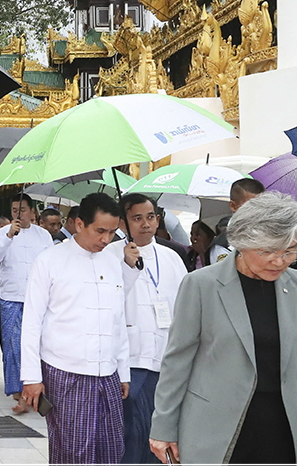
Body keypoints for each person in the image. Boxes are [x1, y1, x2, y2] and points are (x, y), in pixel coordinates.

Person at [149, 192, 297, 465]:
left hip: (283, 425)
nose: (280, 261)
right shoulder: (202, 284)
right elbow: (177, 361)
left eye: (289, 251)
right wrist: (163, 427)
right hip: (215, 425)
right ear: (241, 243)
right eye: (267, 251)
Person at [20, 193, 130, 464]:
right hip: (66, 372)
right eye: (100, 231)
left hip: (108, 373)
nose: (106, 239)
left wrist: (123, 371)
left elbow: (119, 320)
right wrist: (32, 377)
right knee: (72, 452)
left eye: (113, 232)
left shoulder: (113, 262)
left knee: (111, 451)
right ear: (80, 224)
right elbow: (32, 322)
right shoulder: (50, 260)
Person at [105, 193, 188, 464]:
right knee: (131, 432)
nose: (145, 224)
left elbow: (185, 305)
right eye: (137, 218)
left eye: (150, 217)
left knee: (160, 433)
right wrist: (125, 265)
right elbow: (107, 304)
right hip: (131, 359)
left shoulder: (173, 256)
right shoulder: (109, 255)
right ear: (122, 222)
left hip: (166, 357)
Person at [0, 192, 54, 412]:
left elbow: (51, 264)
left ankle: (36, 391)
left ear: (32, 212)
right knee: (14, 346)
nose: (19, 214)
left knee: (37, 345)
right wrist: (8, 236)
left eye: (22, 210)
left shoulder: (43, 235)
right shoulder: (1, 233)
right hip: (11, 297)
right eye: (15, 211)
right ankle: (19, 393)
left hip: (38, 299)